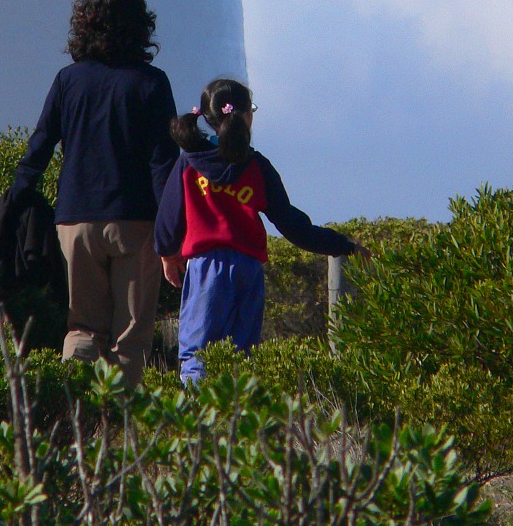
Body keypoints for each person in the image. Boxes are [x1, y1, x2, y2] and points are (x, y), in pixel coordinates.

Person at [11, 0, 179, 385]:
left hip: (75, 218)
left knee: (82, 328)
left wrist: (17, 198)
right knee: (131, 337)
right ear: (141, 27)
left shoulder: (68, 80)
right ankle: (120, 432)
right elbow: (163, 164)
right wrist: (173, 232)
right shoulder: (152, 83)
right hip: (137, 222)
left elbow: (40, 145)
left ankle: (76, 417)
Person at [154, 76, 367, 382]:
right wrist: (341, 244)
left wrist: (167, 255)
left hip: (204, 268)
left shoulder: (189, 163)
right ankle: (238, 424)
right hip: (248, 270)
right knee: (242, 357)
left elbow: (168, 220)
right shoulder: (257, 167)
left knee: (197, 355)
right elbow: (293, 225)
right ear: (245, 116)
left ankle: (199, 423)